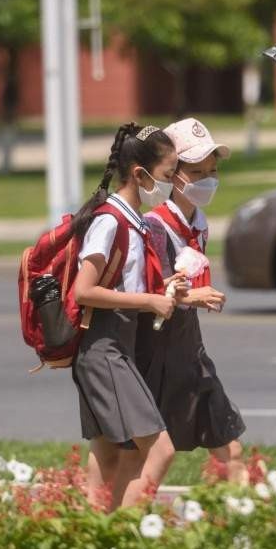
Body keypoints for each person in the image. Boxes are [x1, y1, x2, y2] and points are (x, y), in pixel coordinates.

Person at [70, 122, 187, 510]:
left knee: (108, 456)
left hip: (117, 348)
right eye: (169, 175)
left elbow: (127, 283)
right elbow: (83, 290)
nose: (172, 184)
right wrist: (149, 303)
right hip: (104, 350)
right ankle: (127, 538)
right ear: (140, 174)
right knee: (160, 450)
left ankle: (92, 542)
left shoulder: (134, 222)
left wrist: (165, 290)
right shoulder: (110, 221)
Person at [133, 118, 248, 484]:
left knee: (229, 451)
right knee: (144, 461)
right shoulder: (152, 224)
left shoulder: (199, 221)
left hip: (190, 352)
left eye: (212, 171)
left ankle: (228, 528)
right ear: (171, 173)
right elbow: (150, 288)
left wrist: (195, 295)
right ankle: (129, 527)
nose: (208, 180)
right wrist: (191, 295)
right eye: (196, 171)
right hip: (155, 357)